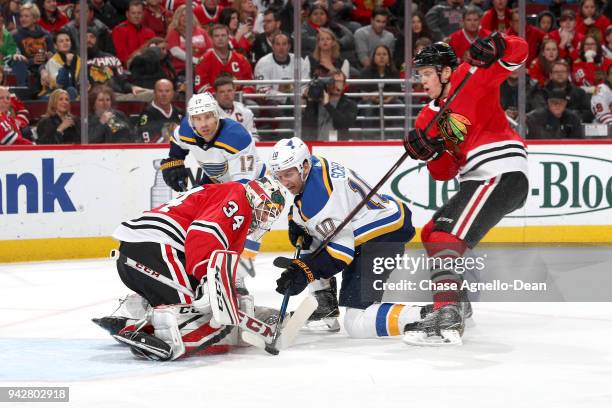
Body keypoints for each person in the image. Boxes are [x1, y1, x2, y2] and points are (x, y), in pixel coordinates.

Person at [402, 36, 529, 344]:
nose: (423, 81)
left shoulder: (471, 75)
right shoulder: (426, 118)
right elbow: (444, 173)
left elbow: (520, 52)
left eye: (428, 74)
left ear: (446, 72)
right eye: (420, 75)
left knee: (446, 235)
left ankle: (446, 317)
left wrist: (499, 44)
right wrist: (430, 153)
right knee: (432, 232)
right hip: (477, 179)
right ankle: (456, 302)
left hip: (500, 170)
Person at [96, 176, 285, 360]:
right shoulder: (239, 198)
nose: (265, 218)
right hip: (156, 249)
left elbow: (218, 258)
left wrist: (223, 291)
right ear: (256, 196)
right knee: (200, 318)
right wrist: (208, 282)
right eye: (266, 209)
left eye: (271, 215)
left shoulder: (232, 201)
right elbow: (202, 236)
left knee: (207, 311)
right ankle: (148, 330)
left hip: (140, 253)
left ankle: (136, 312)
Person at [269, 137, 422, 336]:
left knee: (357, 322)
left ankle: (430, 316)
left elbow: (341, 253)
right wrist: (295, 219)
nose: (284, 182)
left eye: (288, 174)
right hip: (375, 219)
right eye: (279, 176)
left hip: (384, 235)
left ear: (304, 166)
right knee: (309, 233)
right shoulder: (314, 164)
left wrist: (305, 272)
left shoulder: (318, 200)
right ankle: (324, 306)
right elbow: (317, 212)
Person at [160, 92, 267, 290]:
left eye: (208, 116)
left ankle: (236, 278)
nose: (204, 124)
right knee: (193, 220)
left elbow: (242, 186)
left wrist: (222, 211)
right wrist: (173, 162)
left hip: (254, 186)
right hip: (217, 181)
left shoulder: (237, 136)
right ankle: (193, 270)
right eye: (198, 119)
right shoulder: (185, 129)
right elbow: (177, 145)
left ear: (217, 115)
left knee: (248, 230)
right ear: (191, 121)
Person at [87, 29, 153, 102]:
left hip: (118, 95)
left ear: (97, 39)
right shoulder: (77, 60)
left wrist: (132, 87)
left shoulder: (111, 58)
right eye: (85, 37)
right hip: (95, 97)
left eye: (92, 37)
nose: (88, 40)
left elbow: (122, 82)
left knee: (156, 94)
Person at [194, 24, 254, 94]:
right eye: (216, 36)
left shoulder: (241, 59)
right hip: (213, 100)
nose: (220, 38)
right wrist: (220, 96)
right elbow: (201, 87)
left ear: (228, 38)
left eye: (223, 35)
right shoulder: (204, 60)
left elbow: (249, 84)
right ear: (211, 39)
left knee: (252, 104)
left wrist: (240, 95)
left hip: (240, 99)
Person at [253, 32, 310, 105]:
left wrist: (299, 96)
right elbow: (262, 90)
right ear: (272, 46)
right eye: (278, 44)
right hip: (275, 102)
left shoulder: (298, 60)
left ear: (289, 47)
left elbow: (304, 85)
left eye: (284, 44)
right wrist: (286, 98)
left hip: (297, 99)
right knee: (272, 105)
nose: (281, 48)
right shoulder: (263, 63)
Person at [11, 3, 54, 92]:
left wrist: (49, 56)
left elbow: (53, 55)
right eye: (21, 16)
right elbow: (15, 58)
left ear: (35, 18)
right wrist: (32, 61)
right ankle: (25, 91)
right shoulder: (16, 36)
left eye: (26, 16)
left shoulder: (46, 35)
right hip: (27, 69)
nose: (22, 19)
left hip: (45, 68)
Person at [303, 69, 357, 141]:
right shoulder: (317, 102)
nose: (336, 84)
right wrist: (310, 101)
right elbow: (308, 123)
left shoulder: (350, 104)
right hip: (316, 144)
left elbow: (344, 123)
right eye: (333, 81)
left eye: (339, 81)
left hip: (339, 145)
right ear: (327, 83)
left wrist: (327, 105)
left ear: (344, 85)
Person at [165, 4, 212, 78]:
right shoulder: (174, 32)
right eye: (182, 16)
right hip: (183, 70)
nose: (185, 18)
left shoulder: (202, 31)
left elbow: (210, 49)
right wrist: (196, 61)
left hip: (203, 67)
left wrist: (204, 60)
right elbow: (175, 52)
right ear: (178, 18)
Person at [214, 74, 259, 141]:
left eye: (229, 91)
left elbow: (254, 137)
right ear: (216, 94)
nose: (226, 94)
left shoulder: (245, 112)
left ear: (234, 91)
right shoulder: (209, 113)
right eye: (222, 92)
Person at [137, 79, 183, 143]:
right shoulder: (147, 114)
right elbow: (146, 142)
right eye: (160, 91)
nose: (164, 94)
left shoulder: (180, 113)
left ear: (173, 93)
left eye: (167, 91)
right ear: (155, 93)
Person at [111, 0, 155, 66]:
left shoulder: (150, 33)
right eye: (133, 13)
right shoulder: (119, 31)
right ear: (127, 14)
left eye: (139, 13)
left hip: (149, 68)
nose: (136, 16)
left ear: (143, 14)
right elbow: (123, 59)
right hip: (129, 69)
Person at [41, 31, 81, 99]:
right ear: (55, 46)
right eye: (61, 41)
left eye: (67, 40)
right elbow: (59, 84)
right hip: (54, 94)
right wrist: (67, 65)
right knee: (71, 90)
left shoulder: (79, 60)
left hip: (76, 93)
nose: (65, 43)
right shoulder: (52, 61)